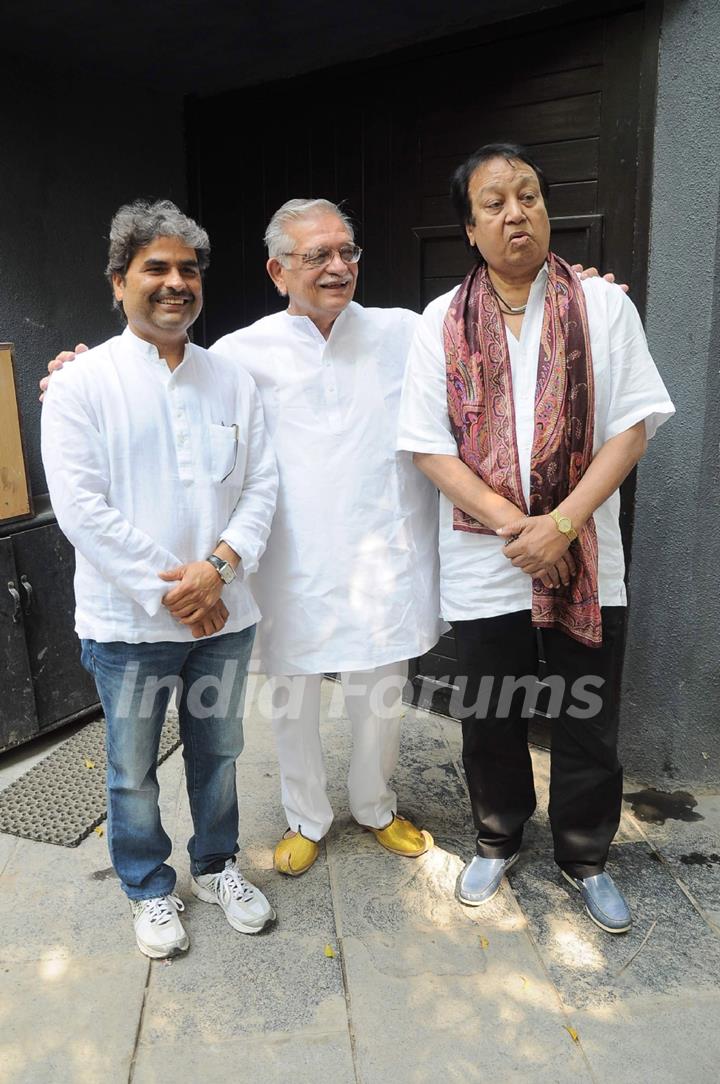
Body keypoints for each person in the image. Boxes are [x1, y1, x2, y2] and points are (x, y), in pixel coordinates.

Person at [397, 143, 675, 933]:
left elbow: (631, 431)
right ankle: (497, 837)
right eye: (494, 202)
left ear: (547, 210)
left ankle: (586, 855)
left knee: (587, 711)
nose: (515, 212)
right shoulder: (439, 322)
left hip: (585, 554)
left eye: (528, 196)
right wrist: (511, 523)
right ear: (470, 228)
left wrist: (562, 524)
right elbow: (426, 445)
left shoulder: (601, 307)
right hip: (487, 559)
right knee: (491, 711)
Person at [41, 200, 279, 958]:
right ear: (118, 282)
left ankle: (216, 866)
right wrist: (173, 589)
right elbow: (80, 507)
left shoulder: (232, 380)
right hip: (130, 625)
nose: (176, 283)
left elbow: (262, 487)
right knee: (131, 767)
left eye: (189, 269)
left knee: (221, 751)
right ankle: (147, 885)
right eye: (157, 268)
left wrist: (216, 572)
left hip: (226, 617)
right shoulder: (81, 385)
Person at [209, 199, 442, 875]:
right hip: (291, 559)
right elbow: (177, 400)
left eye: (347, 252)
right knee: (291, 694)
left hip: (383, 547)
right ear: (278, 271)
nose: (339, 267)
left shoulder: (407, 331)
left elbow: (493, 334)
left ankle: (375, 806)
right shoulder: (239, 353)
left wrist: (588, 298)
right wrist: (79, 370)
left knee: (382, 691)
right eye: (318, 256)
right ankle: (306, 815)